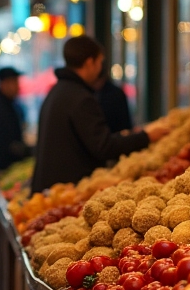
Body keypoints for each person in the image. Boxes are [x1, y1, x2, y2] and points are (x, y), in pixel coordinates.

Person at [31, 35, 171, 194]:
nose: (100, 68)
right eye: (99, 62)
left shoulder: (58, 91)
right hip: (65, 191)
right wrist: (146, 137)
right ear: (90, 63)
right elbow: (103, 146)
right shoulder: (81, 97)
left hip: (51, 189)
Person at [0, 66, 31, 172]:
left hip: (8, 166)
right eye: (14, 82)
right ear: (3, 84)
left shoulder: (9, 104)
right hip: (2, 167)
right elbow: (2, 142)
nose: (18, 87)